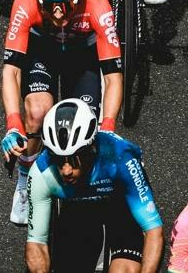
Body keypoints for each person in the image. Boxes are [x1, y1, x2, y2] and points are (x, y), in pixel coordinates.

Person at [1, 0, 122, 226]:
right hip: (42, 50)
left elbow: (114, 77)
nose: (57, 13)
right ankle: (24, 180)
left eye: (66, 4)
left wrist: (109, 127)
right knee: (36, 112)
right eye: (49, 5)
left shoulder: (98, 3)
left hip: (82, 56)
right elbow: (11, 71)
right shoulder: (24, 2)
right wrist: (13, 123)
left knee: (86, 126)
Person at [25, 98, 166, 272]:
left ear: (91, 149)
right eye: (59, 160)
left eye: (74, 160)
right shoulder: (41, 173)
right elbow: (36, 242)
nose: (66, 170)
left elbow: (153, 230)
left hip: (119, 204)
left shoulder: (121, 158)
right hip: (79, 209)